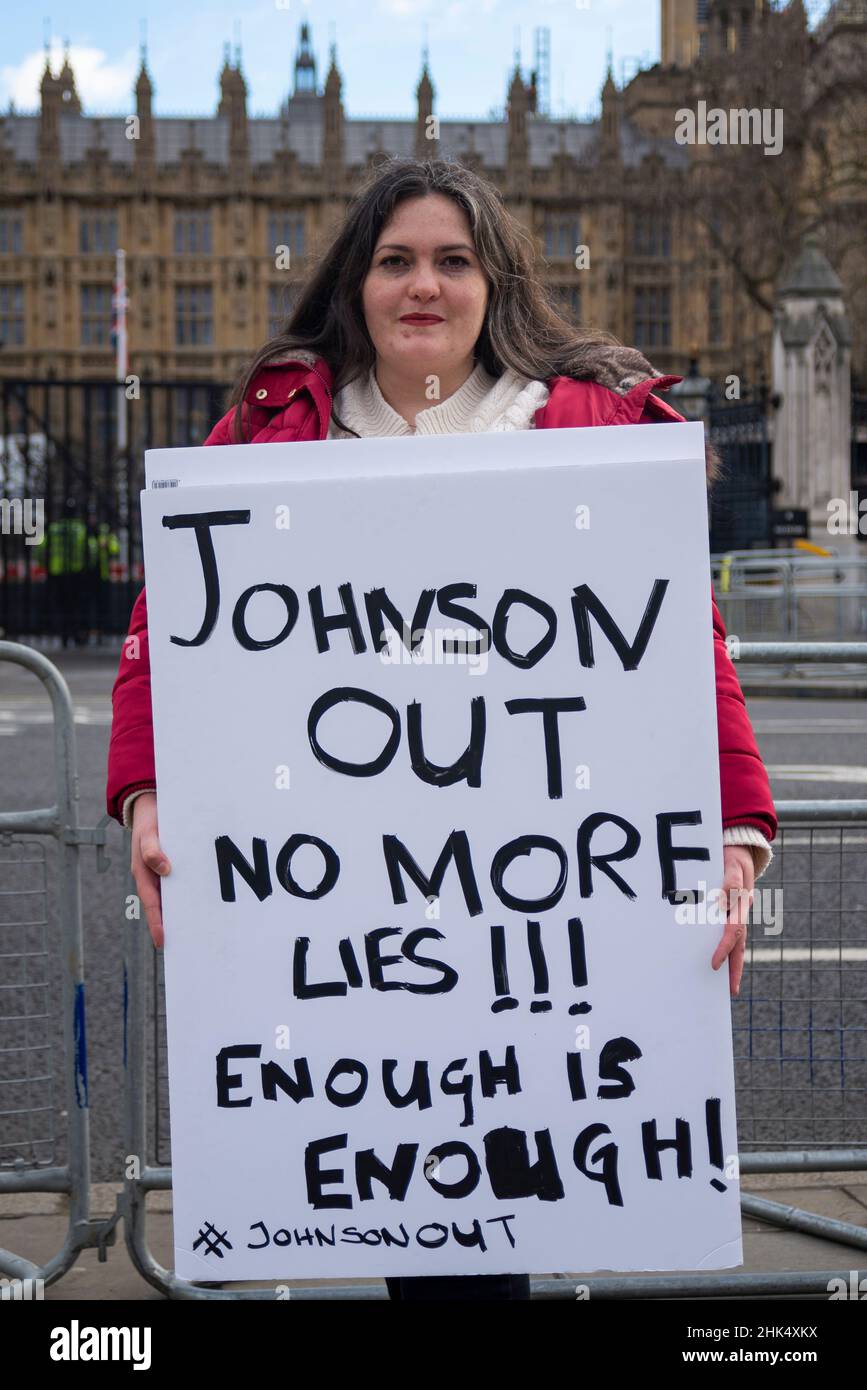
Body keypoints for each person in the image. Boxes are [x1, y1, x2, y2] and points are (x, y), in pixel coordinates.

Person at [105, 157, 777, 1303]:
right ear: (356, 283)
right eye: (397, 260)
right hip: (345, 905)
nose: (425, 285)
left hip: (539, 905)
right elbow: (166, 624)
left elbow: (684, 647)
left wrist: (738, 831)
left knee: (502, 1202)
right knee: (404, 1184)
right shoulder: (273, 433)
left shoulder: (590, 427)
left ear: (495, 281)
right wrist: (148, 790)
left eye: (453, 261)